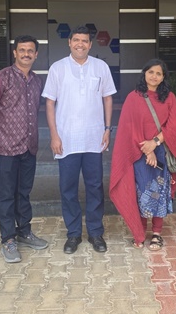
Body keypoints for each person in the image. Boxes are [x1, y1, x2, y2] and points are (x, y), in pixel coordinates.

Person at [42, 25, 117, 254]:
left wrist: (107, 129)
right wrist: (54, 135)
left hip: (94, 138)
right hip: (66, 139)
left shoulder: (101, 67)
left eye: (84, 41)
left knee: (95, 187)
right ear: (69, 42)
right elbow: (50, 103)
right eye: (76, 40)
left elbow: (107, 99)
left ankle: (95, 233)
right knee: (68, 188)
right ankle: (73, 234)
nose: (80, 44)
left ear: (90, 44)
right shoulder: (58, 68)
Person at [0, 35, 48, 264]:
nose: (26, 54)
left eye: (30, 50)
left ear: (36, 54)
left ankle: (24, 231)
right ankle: (8, 238)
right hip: (6, 146)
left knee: (24, 192)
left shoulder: (37, 81)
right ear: (15, 53)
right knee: (7, 193)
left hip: (29, 146)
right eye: (22, 50)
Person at [110, 59, 176, 250]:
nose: (154, 76)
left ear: (163, 77)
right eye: (151, 72)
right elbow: (128, 128)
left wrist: (154, 144)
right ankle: (140, 232)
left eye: (158, 73)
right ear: (144, 73)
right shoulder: (133, 97)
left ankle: (156, 234)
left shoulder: (169, 97)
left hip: (161, 151)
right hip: (138, 153)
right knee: (141, 192)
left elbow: (174, 126)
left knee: (159, 193)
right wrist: (147, 149)